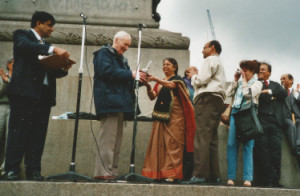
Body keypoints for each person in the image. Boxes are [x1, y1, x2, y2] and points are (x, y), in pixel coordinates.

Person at [3, 11, 71, 181]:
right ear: (38, 23)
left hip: (43, 96)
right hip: (25, 93)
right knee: (19, 132)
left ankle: (33, 170)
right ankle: (12, 169)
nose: (52, 29)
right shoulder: (22, 35)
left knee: (38, 134)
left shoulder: (45, 44)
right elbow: (24, 47)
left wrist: (62, 68)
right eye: (49, 25)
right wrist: (52, 49)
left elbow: (49, 70)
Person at [93, 31, 147, 180]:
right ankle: (103, 172)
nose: (126, 48)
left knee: (115, 143)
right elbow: (106, 71)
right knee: (108, 141)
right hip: (110, 103)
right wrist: (131, 74)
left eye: (128, 46)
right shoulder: (103, 54)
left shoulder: (121, 59)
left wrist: (139, 80)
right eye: (125, 45)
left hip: (119, 104)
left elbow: (124, 79)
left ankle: (112, 172)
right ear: (116, 40)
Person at [141, 57, 195, 182]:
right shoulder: (159, 82)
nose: (165, 66)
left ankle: (173, 175)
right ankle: (160, 174)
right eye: (164, 64)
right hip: (160, 117)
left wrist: (155, 79)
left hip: (175, 118)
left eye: (168, 64)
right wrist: (148, 86)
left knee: (173, 145)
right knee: (159, 145)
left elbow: (172, 85)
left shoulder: (177, 79)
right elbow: (152, 97)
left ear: (174, 67)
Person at [184, 40, 226, 184]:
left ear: (212, 48)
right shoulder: (219, 62)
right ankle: (214, 175)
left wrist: (194, 76)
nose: (202, 51)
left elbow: (202, 79)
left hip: (207, 99)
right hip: (217, 99)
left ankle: (200, 174)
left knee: (201, 136)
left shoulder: (210, 59)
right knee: (212, 138)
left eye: (204, 48)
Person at [226, 60, 262, 187]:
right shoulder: (240, 81)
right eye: (242, 69)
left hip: (247, 115)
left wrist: (244, 82)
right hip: (236, 113)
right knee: (231, 145)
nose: (243, 72)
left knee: (248, 146)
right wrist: (235, 80)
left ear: (252, 71)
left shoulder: (258, 83)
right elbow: (228, 94)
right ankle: (231, 177)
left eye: (245, 70)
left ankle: (248, 178)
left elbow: (248, 94)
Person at [254, 62, 287, 187]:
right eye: (259, 69)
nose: (260, 71)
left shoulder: (275, 85)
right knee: (263, 151)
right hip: (262, 121)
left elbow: (283, 94)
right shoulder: (256, 84)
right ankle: (266, 181)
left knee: (276, 152)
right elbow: (258, 96)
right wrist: (272, 97)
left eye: (263, 69)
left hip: (275, 122)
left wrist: (268, 92)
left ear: (269, 72)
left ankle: (275, 181)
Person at [280, 74, 300, 171]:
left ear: (291, 80)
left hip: (297, 119)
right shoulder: (281, 91)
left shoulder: (295, 93)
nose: (282, 80)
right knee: (291, 125)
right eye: (281, 79)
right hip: (285, 118)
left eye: (284, 78)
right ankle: (295, 149)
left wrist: (296, 94)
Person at [0, 58, 14, 174]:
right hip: (2, 107)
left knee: (9, 138)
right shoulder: (2, 76)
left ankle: (5, 168)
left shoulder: (20, 77)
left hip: (14, 108)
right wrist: (4, 83)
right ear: (8, 64)